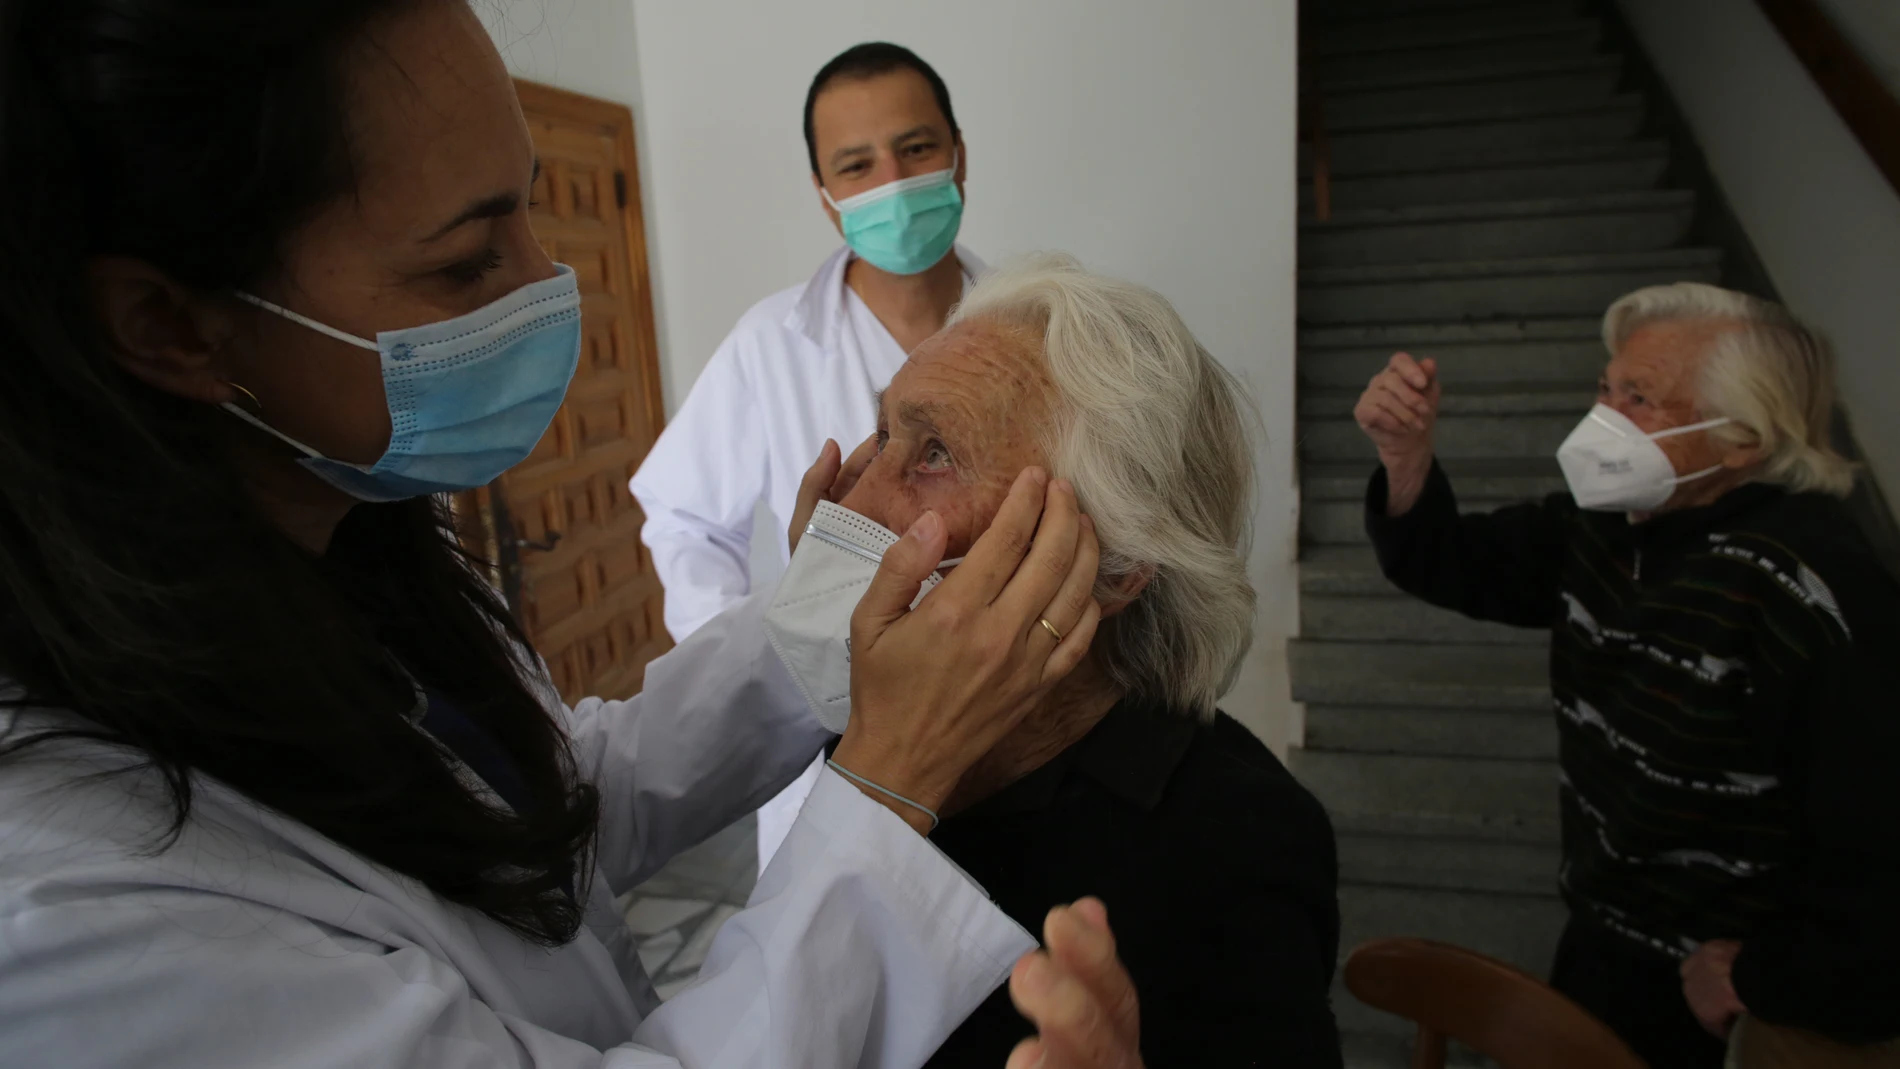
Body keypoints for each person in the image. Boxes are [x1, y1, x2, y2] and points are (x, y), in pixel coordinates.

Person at [0, 3, 1144, 1067]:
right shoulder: (81, 900)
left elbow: (551, 814)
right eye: (464, 262)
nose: (551, 287)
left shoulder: (349, 568)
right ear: (166, 323)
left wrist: (817, 631)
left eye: (528, 211)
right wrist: (886, 786)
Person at [780, 254, 1342, 1067]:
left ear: (1108, 566)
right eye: (883, 435)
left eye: (934, 452)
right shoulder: (879, 727)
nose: (850, 501)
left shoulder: (1232, 849)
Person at [1352, 281, 1900, 1068]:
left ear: (1743, 437)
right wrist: (1406, 456)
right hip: (1603, 938)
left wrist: (1768, 975)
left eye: (1639, 398)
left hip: (1721, 995)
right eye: (1605, 387)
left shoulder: (1811, 592)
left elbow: (1879, 857)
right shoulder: (1612, 524)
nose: (1604, 419)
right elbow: (1458, 564)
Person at [629, 41, 984, 869]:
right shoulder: (767, 347)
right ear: (827, 198)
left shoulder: (1029, 327)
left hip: (1005, 718)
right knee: (839, 967)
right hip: (835, 741)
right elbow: (679, 516)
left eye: (917, 149)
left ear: (959, 153)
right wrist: (776, 663)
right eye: (857, 165)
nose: (892, 183)